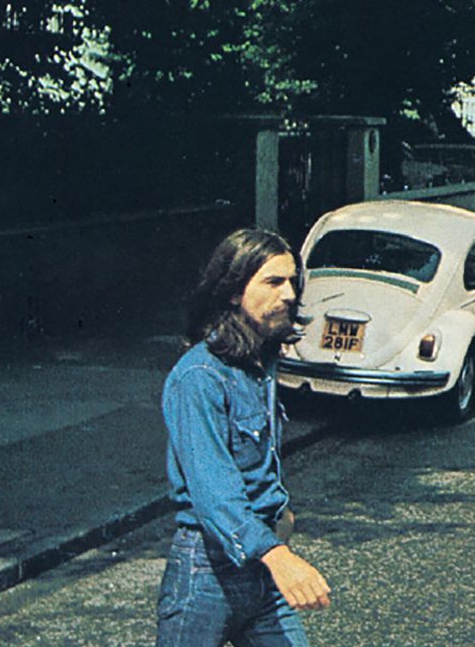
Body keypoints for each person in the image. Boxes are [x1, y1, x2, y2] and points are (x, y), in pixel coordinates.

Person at [157, 228, 331, 646]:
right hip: (207, 575)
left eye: (292, 281)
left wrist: (280, 512)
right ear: (233, 292)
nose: (288, 294)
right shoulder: (198, 378)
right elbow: (214, 491)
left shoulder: (259, 361)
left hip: (261, 563)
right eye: (273, 282)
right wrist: (278, 556)